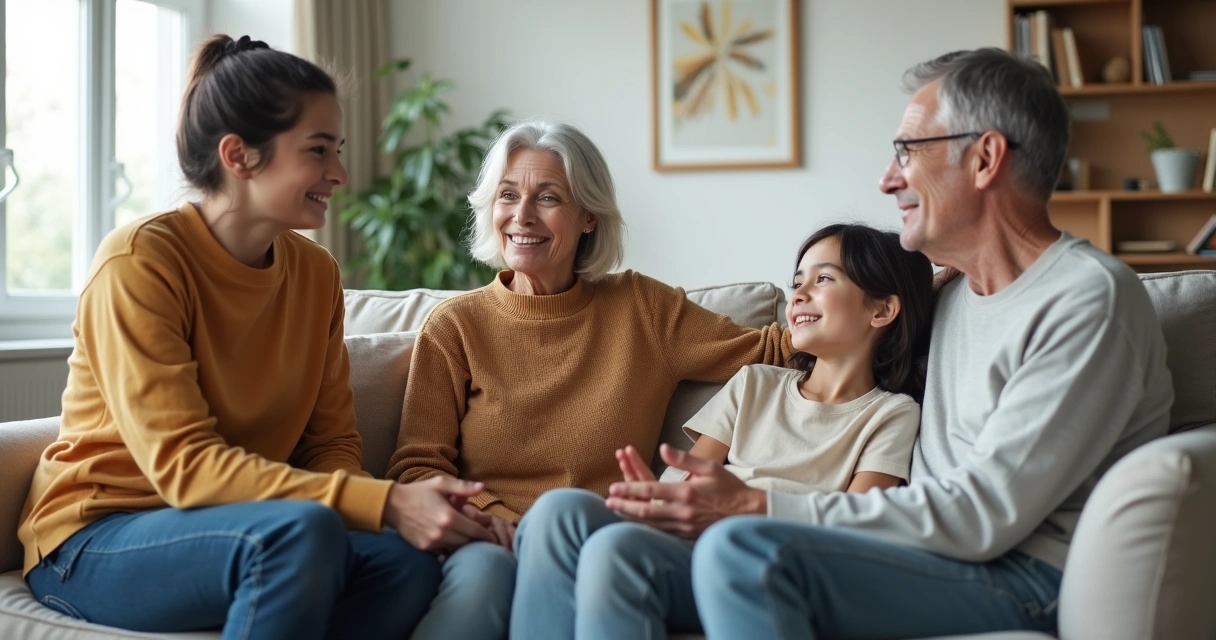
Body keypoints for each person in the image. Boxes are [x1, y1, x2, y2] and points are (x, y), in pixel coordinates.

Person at [605, 47, 1175, 639]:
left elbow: (985, 515)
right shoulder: (957, 295)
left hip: (1021, 575)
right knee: (622, 554)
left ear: (985, 158)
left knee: (744, 548)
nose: (887, 179)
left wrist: (758, 503)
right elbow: (869, 318)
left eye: (908, 151)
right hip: (923, 557)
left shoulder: (1086, 302)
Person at [17, 35, 490, 640]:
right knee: (301, 533)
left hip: (244, 530)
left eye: (337, 150)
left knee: (404, 565)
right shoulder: (141, 262)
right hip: (95, 538)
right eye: (319, 151)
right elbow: (185, 470)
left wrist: (413, 516)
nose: (340, 174)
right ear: (239, 156)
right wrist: (387, 503)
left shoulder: (316, 275)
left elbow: (331, 444)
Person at [388, 120, 796, 640]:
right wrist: (494, 520)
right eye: (508, 195)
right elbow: (416, 464)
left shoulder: (642, 309)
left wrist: (906, 289)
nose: (522, 216)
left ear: (588, 218)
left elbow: (771, 350)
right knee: (484, 577)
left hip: (599, 537)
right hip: (489, 539)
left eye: (548, 197)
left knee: (557, 520)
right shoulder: (456, 326)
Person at [511, 223, 935, 639]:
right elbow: (690, 479)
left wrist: (740, 504)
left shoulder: (891, 414)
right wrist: (659, 500)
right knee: (557, 510)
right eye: (798, 281)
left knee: (614, 551)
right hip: (690, 538)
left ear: (882, 310)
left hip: (761, 560)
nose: (799, 294)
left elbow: (860, 521)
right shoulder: (755, 383)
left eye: (824, 278)